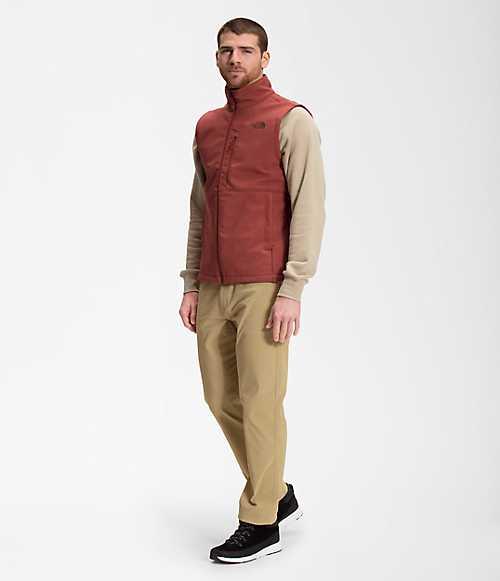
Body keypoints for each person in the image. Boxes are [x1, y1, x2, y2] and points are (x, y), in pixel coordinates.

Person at [178, 17, 326, 563]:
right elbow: (200, 210)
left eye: (245, 50)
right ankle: (277, 491)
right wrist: (191, 282)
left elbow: (309, 205)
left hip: (266, 285)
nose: (234, 58)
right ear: (216, 57)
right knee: (220, 397)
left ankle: (261, 521)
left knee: (262, 402)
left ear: (265, 58)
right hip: (213, 284)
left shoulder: (291, 119)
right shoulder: (208, 126)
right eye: (226, 50)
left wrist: (293, 288)